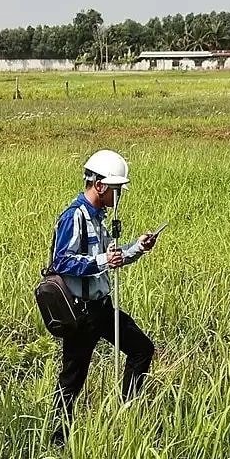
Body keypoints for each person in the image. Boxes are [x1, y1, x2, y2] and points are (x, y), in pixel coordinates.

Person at [49, 150, 158, 443]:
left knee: (141, 350)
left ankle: (129, 412)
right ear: (99, 185)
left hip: (103, 308)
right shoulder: (75, 217)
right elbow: (61, 262)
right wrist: (101, 262)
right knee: (72, 380)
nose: (119, 195)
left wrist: (138, 247)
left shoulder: (98, 217)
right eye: (116, 189)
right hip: (81, 313)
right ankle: (58, 439)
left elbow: (112, 256)